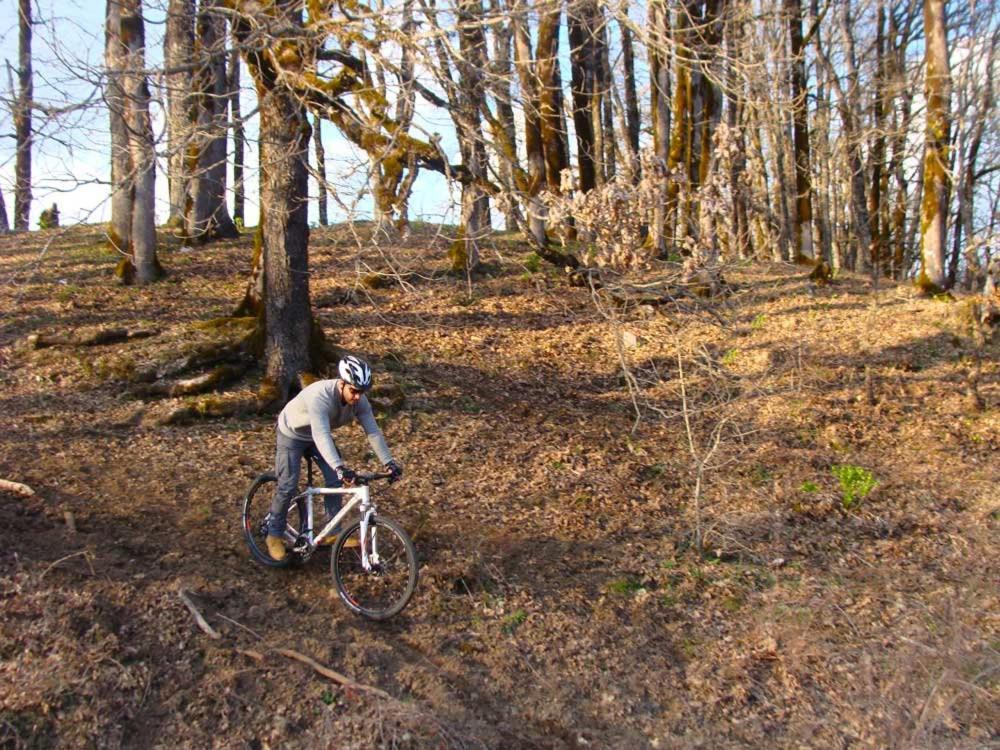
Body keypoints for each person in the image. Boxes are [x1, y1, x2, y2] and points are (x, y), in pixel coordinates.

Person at [266, 355, 402, 561]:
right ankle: (274, 533)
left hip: (317, 437)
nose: (357, 397)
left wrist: (389, 462)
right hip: (292, 434)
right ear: (341, 383)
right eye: (354, 391)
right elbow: (321, 434)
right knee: (288, 485)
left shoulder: (360, 401)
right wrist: (339, 466)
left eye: (362, 392)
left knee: (335, 480)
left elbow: (372, 431)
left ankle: (333, 532)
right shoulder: (320, 396)